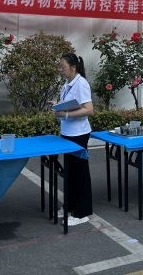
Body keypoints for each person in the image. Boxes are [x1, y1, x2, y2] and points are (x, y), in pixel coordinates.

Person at [52, 53, 94, 225]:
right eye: (60, 67)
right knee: (70, 172)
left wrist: (66, 114)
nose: (61, 70)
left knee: (80, 173)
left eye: (63, 67)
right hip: (68, 133)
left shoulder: (81, 83)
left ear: (73, 67)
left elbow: (89, 109)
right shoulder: (67, 84)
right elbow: (69, 104)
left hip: (79, 134)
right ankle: (69, 206)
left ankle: (82, 212)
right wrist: (57, 106)